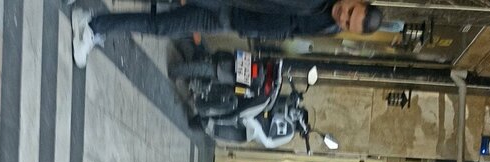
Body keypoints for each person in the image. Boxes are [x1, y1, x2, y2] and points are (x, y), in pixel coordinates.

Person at [72, 0, 382, 68]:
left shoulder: (327, 26)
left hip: (231, 20)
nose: (343, 17)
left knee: (161, 27)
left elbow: (286, 27)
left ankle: (94, 26)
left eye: (347, 24)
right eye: (349, 12)